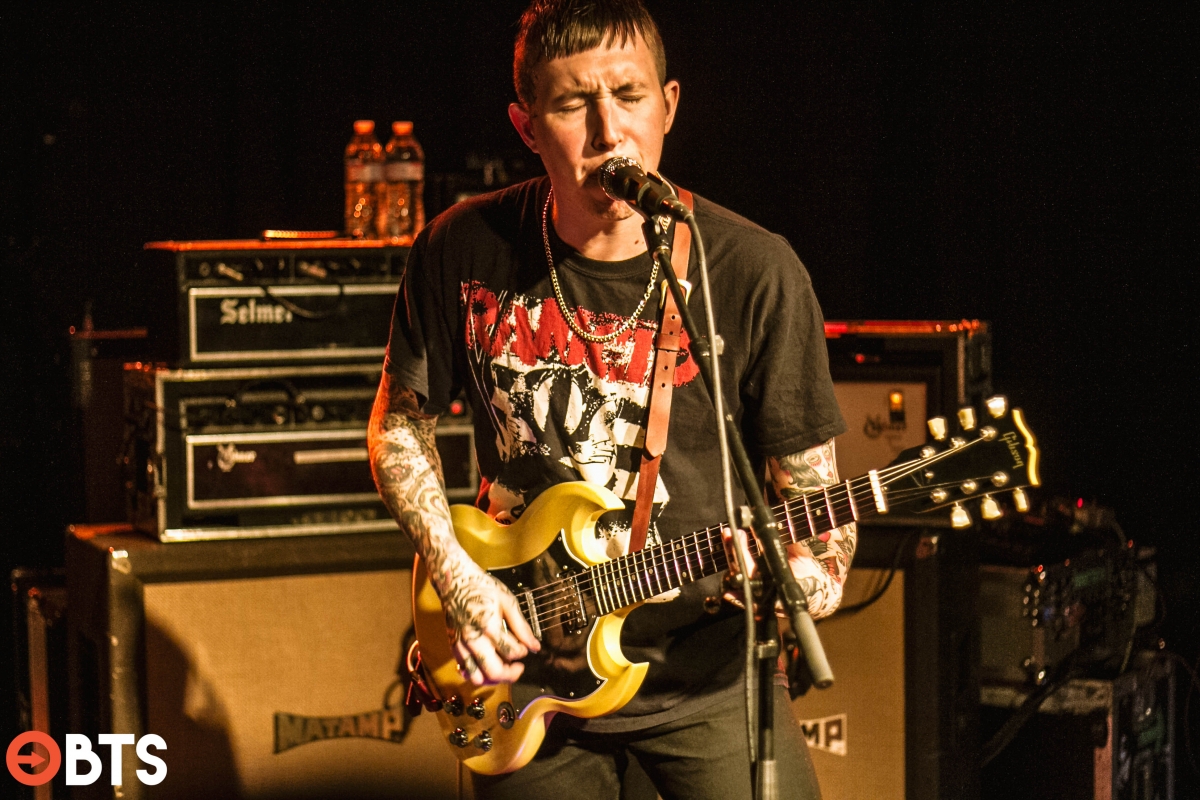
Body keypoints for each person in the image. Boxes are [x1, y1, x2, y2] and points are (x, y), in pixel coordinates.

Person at [367, 1, 856, 797]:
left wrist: (802, 582)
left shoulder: (754, 270)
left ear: (668, 104)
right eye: (573, 105)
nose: (609, 132)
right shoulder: (463, 245)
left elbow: (820, 512)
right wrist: (457, 578)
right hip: (526, 678)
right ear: (527, 127)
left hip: (708, 682)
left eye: (629, 96)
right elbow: (399, 429)